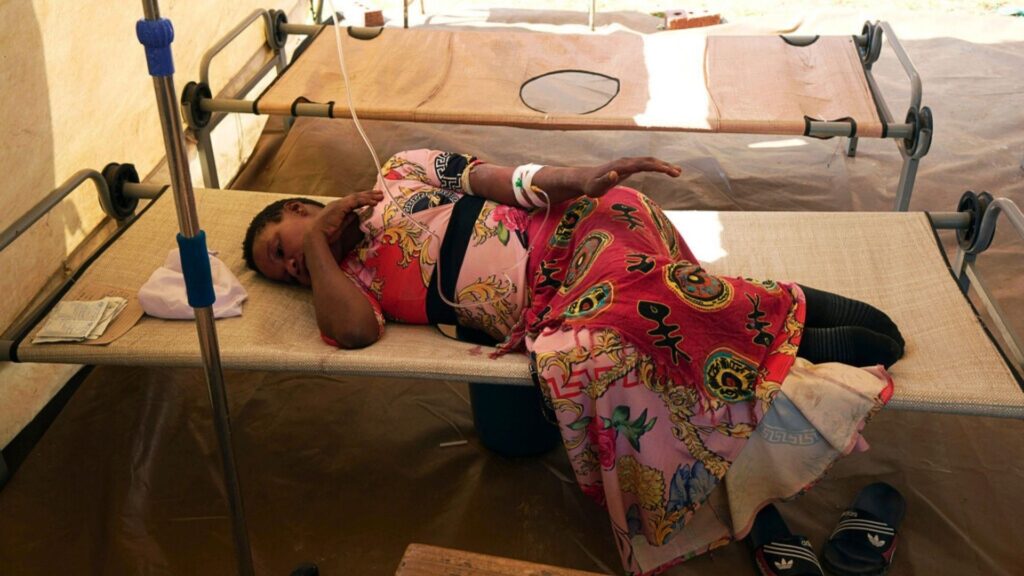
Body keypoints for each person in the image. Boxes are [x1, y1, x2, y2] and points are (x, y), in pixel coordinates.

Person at [242, 149, 903, 573]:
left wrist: (579, 179)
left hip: (574, 229)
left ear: (301, 207)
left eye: (282, 244)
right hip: (559, 299)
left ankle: (787, 321)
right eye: (281, 268)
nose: (290, 263)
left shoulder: (400, 174)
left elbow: (505, 180)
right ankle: (781, 315)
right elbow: (355, 335)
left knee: (626, 308)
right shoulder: (351, 293)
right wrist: (323, 251)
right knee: (596, 353)